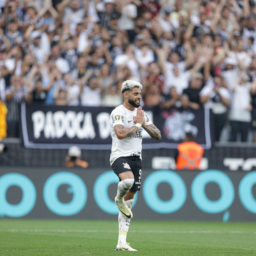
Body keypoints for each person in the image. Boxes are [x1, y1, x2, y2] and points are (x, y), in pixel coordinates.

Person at [110, 79, 161, 251]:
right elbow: (120, 133)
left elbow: (158, 135)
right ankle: (117, 198)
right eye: (135, 93)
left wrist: (144, 123)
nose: (139, 96)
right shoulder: (118, 112)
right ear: (125, 94)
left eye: (140, 93)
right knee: (127, 182)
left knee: (129, 202)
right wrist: (137, 124)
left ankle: (122, 242)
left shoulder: (142, 114)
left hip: (136, 159)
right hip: (119, 156)